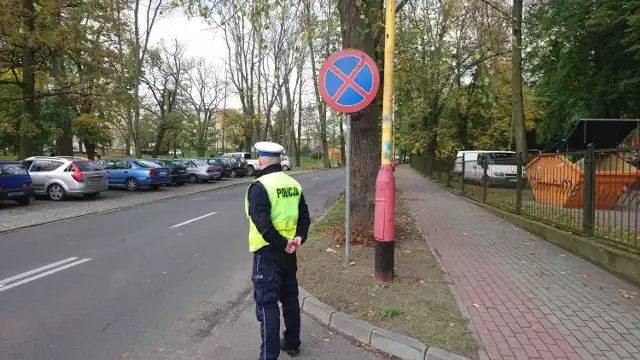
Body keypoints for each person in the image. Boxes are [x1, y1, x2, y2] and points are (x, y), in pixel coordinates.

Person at [245, 141, 311, 360]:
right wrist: (298, 237)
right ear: (279, 159)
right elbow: (304, 216)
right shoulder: (293, 184)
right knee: (290, 299)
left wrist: (282, 242)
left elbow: (262, 224)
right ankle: (292, 344)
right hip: (289, 253)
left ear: (261, 160)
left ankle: (269, 356)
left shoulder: (259, 186)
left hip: (267, 254)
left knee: (267, 305)